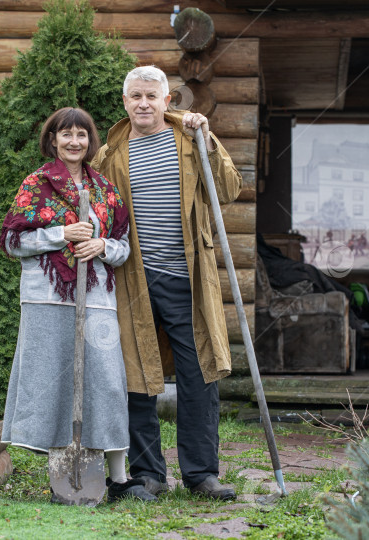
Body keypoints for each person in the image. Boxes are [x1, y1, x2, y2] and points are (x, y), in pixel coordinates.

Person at [92, 66, 242, 500]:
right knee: (136, 376)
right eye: (135, 96)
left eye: (151, 97)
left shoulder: (192, 139)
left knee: (200, 374)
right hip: (132, 281)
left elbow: (229, 189)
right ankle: (148, 474)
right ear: (125, 102)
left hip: (186, 278)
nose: (143, 103)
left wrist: (208, 138)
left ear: (167, 101)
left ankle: (201, 474)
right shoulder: (109, 154)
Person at [0, 107, 155, 503]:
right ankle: (64, 479)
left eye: (81, 135)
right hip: (47, 300)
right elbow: (13, 242)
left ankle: (119, 479)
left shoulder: (104, 189)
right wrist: (60, 233)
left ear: (90, 141)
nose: (74, 142)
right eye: (65, 135)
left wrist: (102, 245)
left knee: (106, 382)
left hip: (98, 301)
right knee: (55, 383)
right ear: (53, 140)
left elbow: (124, 247)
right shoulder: (36, 184)